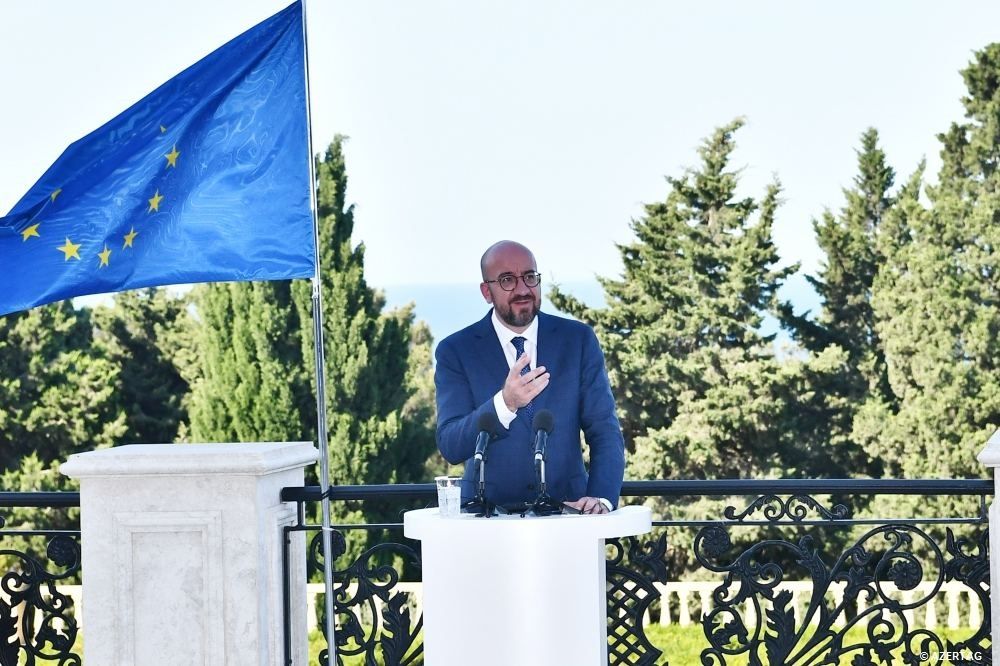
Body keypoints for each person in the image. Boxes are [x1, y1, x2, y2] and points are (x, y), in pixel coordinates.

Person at [434, 240, 626, 514]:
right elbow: (451, 445)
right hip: (484, 521)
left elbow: (604, 429)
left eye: (529, 277)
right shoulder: (456, 351)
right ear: (486, 291)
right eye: (507, 280)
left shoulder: (578, 340)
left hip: (570, 516)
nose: (523, 289)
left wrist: (601, 498)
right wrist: (505, 403)